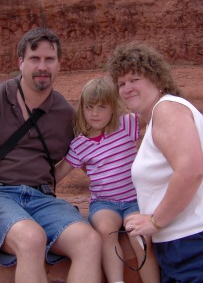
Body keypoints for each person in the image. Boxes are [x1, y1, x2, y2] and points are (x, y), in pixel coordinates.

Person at [0, 27, 102, 283]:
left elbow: (94, 154)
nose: (42, 67)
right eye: (34, 59)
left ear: (59, 65)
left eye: (49, 59)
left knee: (89, 241)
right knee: (31, 239)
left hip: (42, 198)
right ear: (21, 62)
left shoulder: (64, 113)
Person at [106, 42, 203, 282]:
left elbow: (191, 171)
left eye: (135, 79)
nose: (127, 88)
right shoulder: (156, 119)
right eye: (121, 83)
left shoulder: (167, 109)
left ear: (157, 79)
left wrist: (154, 221)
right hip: (188, 247)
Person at [56, 77, 160, 283]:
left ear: (113, 107)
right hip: (104, 202)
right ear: (82, 109)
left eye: (102, 107)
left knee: (139, 235)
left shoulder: (127, 124)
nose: (95, 113)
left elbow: (155, 116)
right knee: (105, 230)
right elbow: (58, 173)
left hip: (134, 199)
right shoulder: (80, 144)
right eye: (89, 107)